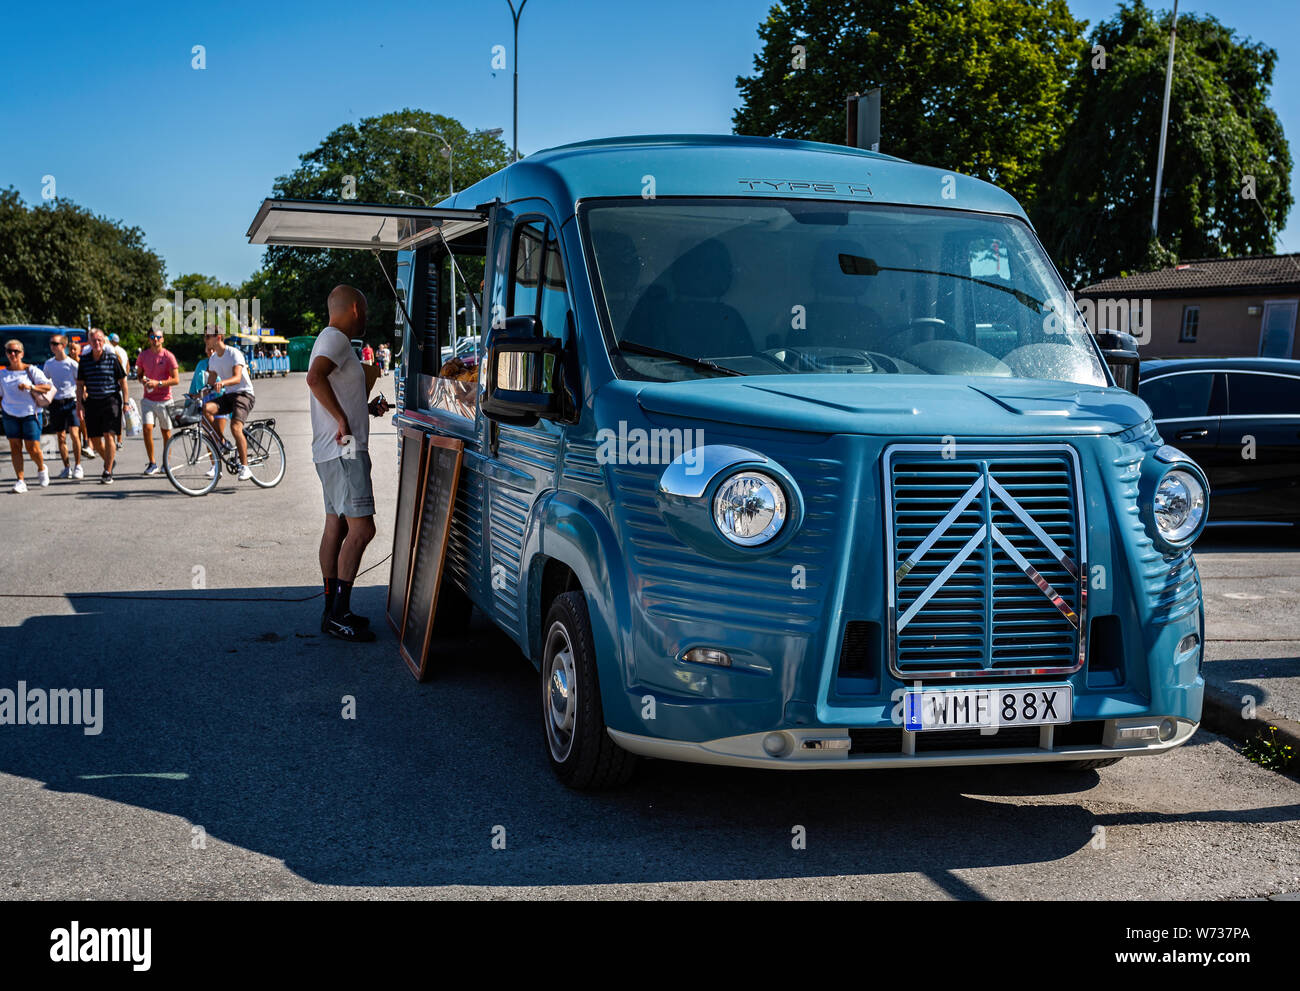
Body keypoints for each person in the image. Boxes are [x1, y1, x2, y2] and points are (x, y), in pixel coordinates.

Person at [306, 286, 389, 642]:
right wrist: (343, 420)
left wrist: (364, 410)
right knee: (362, 530)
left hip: (332, 450)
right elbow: (314, 378)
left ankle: (332, 609)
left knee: (337, 527)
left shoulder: (329, 339)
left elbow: (335, 389)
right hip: (345, 451)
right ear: (356, 308)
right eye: (365, 311)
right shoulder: (337, 338)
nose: (366, 318)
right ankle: (338, 614)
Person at [76, 328, 129, 484]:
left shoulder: (112, 359)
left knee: (109, 434)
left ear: (103, 342)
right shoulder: (84, 361)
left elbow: (123, 382)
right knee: (95, 439)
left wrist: (126, 403)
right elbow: (79, 384)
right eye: (94, 340)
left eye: (100, 340)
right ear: (90, 342)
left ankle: (107, 470)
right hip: (92, 401)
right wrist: (79, 404)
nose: (97, 343)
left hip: (111, 401)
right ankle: (109, 459)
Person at [201, 330, 255, 480]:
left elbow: (237, 378)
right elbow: (210, 382)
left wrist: (222, 382)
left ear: (218, 337)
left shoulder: (233, 353)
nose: (205, 339)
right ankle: (222, 441)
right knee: (206, 409)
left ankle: (245, 467)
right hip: (229, 395)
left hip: (244, 394)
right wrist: (199, 393)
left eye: (207, 336)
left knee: (235, 427)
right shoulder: (213, 359)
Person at [2, 339, 53, 492]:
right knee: (15, 447)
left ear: (22, 353)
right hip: (10, 415)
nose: (13, 354)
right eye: (9, 351)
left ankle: (41, 467)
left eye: (16, 351)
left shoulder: (31, 370)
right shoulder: (2, 374)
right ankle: (20, 480)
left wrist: (30, 386)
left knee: (33, 448)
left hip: (31, 414)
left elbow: (47, 387)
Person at [135, 330, 179, 476]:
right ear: (149, 339)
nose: (155, 340)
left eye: (158, 337)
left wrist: (158, 383)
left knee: (166, 432)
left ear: (163, 339)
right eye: (153, 337)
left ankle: (166, 463)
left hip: (165, 400)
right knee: (147, 429)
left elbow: (176, 379)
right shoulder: (143, 355)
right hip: (148, 399)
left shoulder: (168, 356)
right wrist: (144, 381)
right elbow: (139, 375)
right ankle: (152, 463)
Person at [42, 334, 83, 480]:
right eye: (51, 343)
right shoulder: (49, 364)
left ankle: (78, 466)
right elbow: (45, 383)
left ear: (63, 346)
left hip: (71, 402)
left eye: (55, 343)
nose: (52, 346)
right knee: (61, 437)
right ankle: (67, 468)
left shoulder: (72, 364)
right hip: (56, 403)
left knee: (74, 433)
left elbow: (81, 383)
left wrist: (81, 400)